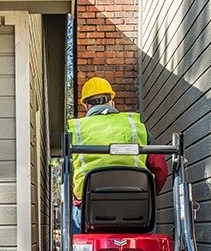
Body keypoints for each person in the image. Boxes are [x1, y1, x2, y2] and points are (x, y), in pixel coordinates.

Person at [67, 76, 168, 233]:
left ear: (86, 106)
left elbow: (67, 174)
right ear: (111, 102)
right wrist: (148, 194)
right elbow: (160, 169)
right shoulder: (135, 126)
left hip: (89, 213)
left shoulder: (76, 130)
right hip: (137, 210)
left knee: (75, 224)